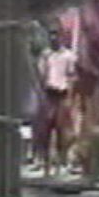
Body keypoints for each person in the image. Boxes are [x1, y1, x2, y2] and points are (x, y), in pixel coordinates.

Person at [74, 0, 99, 180]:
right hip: (91, 72)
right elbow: (83, 45)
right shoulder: (89, 13)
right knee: (93, 119)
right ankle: (89, 166)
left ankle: (94, 166)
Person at [37, 27, 76, 180]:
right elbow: (41, 75)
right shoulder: (46, 55)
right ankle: (46, 166)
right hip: (48, 94)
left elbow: (72, 76)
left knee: (61, 130)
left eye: (56, 36)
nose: (54, 39)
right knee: (45, 130)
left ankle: (59, 165)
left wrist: (70, 98)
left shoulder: (68, 56)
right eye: (51, 37)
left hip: (62, 94)